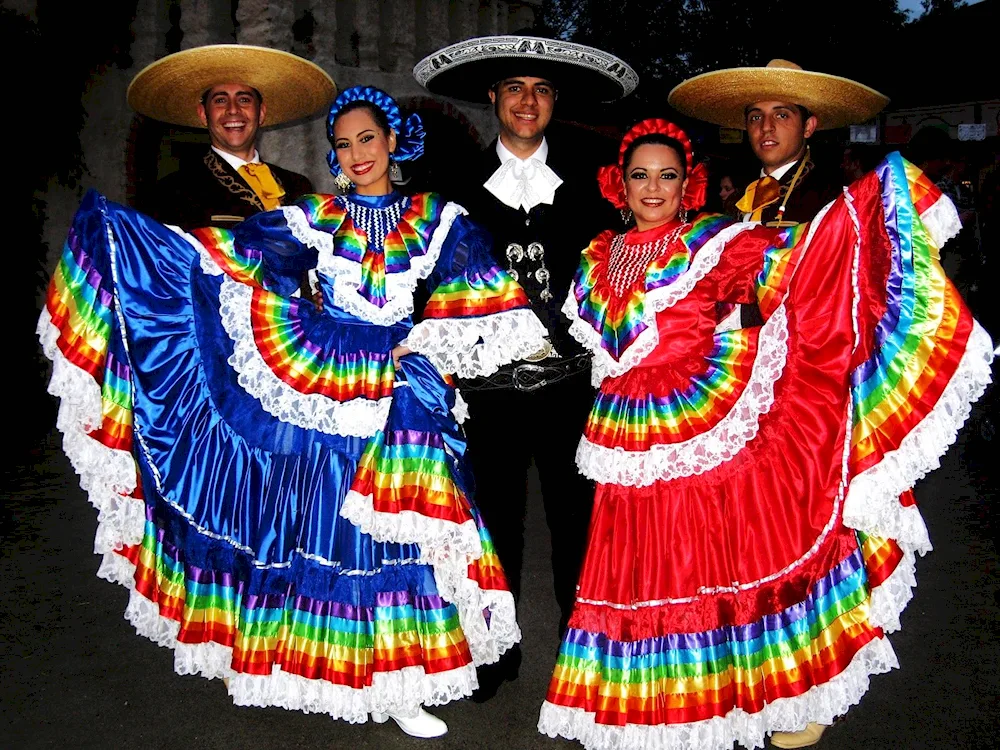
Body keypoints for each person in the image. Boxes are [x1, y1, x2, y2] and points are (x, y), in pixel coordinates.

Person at [37, 85, 555, 739]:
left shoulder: (437, 216)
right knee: (327, 524)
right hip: (326, 370)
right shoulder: (313, 214)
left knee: (397, 530)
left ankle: (399, 683)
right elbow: (232, 257)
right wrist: (140, 243)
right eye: (342, 143)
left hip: (398, 379)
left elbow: (477, 287)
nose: (356, 153)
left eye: (368, 139)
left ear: (393, 142)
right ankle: (324, 665)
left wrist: (429, 340)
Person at [535, 118, 994, 750]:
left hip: (700, 420)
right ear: (620, 183)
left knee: (712, 562)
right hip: (623, 437)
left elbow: (801, 270)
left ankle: (758, 693)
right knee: (637, 567)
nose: (652, 188)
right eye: (640, 175)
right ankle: (658, 707)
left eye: (667, 176)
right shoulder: (593, 255)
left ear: (687, 185)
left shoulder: (715, 240)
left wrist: (861, 214)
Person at [412, 31, 636, 700]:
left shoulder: (599, 187)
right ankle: (494, 652)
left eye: (540, 90)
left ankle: (583, 655)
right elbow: (427, 286)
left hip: (571, 388)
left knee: (578, 524)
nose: (527, 101)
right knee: (494, 526)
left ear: (554, 99)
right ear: (493, 98)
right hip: (489, 393)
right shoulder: (452, 190)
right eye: (514, 89)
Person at [669, 59, 888, 328]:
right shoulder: (733, 199)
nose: (766, 126)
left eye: (782, 114)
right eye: (755, 117)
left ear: (808, 127)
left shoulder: (833, 201)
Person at [128, 44, 334, 231]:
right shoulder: (171, 192)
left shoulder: (298, 185)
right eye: (220, 100)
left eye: (244, 99)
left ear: (260, 113)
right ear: (203, 114)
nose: (233, 110)